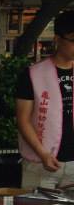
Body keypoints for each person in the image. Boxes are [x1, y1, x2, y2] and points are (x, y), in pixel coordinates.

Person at [16, 10, 74, 190]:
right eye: (73, 40)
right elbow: (23, 120)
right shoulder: (33, 74)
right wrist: (43, 154)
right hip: (40, 164)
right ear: (57, 39)